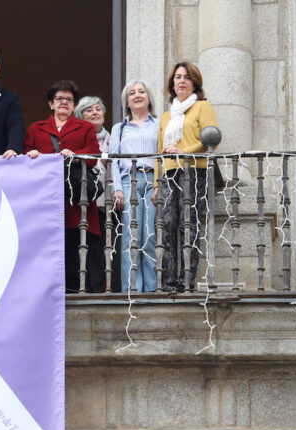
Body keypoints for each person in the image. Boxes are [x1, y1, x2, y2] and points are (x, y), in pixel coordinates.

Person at [24, 80, 100, 292]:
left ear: (75, 106)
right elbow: (25, 155)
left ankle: (75, 289)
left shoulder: (85, 127)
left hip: (75, 198)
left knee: (76, 244)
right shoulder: (36, 129)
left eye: (69, 99)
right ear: (51, 103)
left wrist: (75, 157)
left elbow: (94, 155)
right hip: (46, 198)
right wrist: (32, 155)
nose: (64, 103)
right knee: (48, 246)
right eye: (59, 99)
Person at [153, 62, 218, 292]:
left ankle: (186, 279)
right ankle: (169, 280)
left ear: (194, 84)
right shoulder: (165, 117)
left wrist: (185, 151)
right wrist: (155, 185)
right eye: (178, 77)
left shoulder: (202, 107)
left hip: (194, 171)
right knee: (167, 225)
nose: (181, 81)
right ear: (172, 83)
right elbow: (159, 153)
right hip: (170, 173)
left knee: (188, 226)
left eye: (187, 78)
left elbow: (211, 138)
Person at [108, 80, 159, 293]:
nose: (137, 95)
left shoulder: (159, 124)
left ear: (149, 98)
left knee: (150, 237)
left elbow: (163, 158)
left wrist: (159, 184)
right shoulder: (119, 129)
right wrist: (116, 189)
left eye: (141, 92)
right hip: (129, 181)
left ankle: (151, 289)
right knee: (131, 236)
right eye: (132, 93)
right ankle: (132, 291)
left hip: (151, 182)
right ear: (126, 102)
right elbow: (113, 160)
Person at [74, 96, 111, 292]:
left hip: (106, 202)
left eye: (98, 109)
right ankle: (82, 288)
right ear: (80, 117)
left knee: (102, 249)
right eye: (89, 110)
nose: (95, 112)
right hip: (83, 202)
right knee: (82, 246)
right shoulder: (78, 139)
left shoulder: (112, 139)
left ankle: (99, 288)